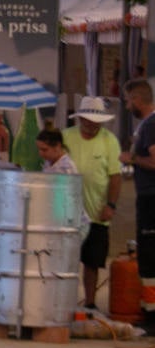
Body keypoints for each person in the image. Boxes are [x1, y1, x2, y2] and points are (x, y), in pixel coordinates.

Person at [63, 96, 122, 312]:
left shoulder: (110, 140)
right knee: (65, 258)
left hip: (96, 210)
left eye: (94, 122)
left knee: (93, 261)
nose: (90, 125)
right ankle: (64, 299)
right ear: (79, 119)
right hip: (66, 210)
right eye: (86, 121)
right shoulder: (66, 137)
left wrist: (111, 205)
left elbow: (115, 176)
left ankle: (89, 301)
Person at [121, 79, 155, 332]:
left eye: (128, 100)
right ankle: (149, 311)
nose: (126, 104)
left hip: (151, 198)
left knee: (150, 257)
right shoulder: (146, 125)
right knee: (146, 256)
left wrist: (131, 158)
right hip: (146, 197)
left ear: (139, 100)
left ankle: (152, 316)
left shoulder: (151, 125)